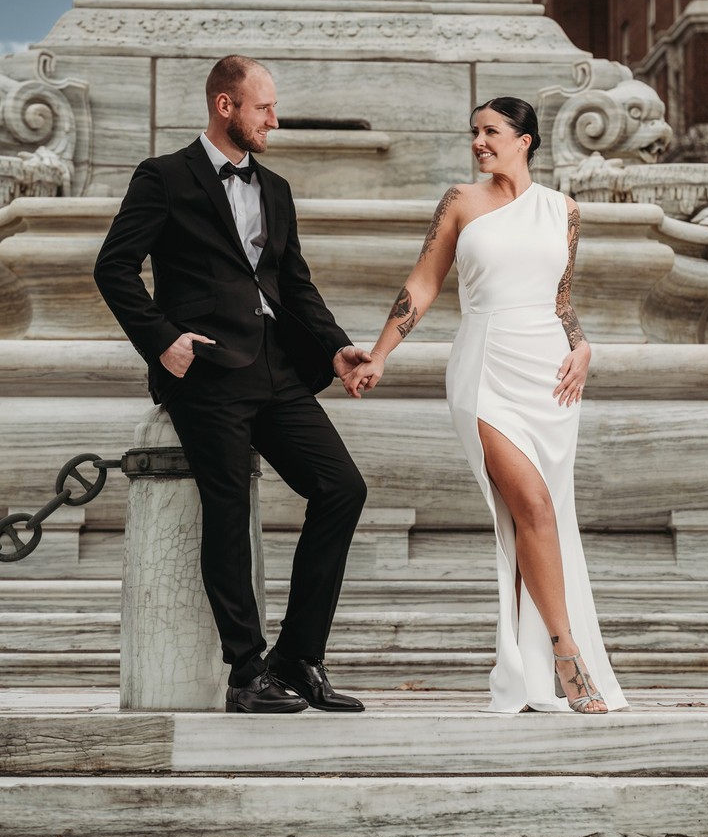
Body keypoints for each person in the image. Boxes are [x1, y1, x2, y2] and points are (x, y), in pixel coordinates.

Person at [94, 55, 369, 715]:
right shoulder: (164, 177)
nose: (274, 119)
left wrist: (335, 349)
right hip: (207, 371)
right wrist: (163, 340)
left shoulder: (274, 187)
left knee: (341, 488)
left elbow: (293, 285)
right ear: (226, 107)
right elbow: (115, 267)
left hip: (276, 367)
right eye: (263, 107)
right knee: (228, 508)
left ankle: (299, 657)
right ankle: (247, 672)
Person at [344, 97, 627, 715]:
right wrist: (381, 354)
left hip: (549, 374)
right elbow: (422, 283)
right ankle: (565, 654)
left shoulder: (564, 211)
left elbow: (561, 299)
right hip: (486, 365)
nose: (478, 141)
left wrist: (584, 346)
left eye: (491, 131)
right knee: (532, 504)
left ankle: (530, 667)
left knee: (537, 517)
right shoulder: (460, 202)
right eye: (474, 132)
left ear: (524, 140)